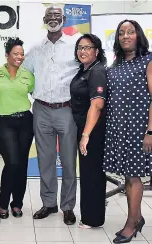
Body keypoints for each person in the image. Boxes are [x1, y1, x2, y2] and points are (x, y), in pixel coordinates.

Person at [23, 4, 80, 225]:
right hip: (41, 110)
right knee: (45, 160)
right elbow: (24, 72)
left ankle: (67, 206)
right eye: (50, 15)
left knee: (67, 161)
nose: (53, 18)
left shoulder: (75, 45)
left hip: (67, 110)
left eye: (57, 15)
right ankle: (48, 203)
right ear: (44, 19)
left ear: (64, 19)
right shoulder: (36, 47)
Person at [103, 19, 152, 243]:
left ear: (138, 35)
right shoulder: (117, 65)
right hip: (118, 129)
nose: (125, 36)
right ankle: (138, 216)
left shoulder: (148, 61)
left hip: (138, 129)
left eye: (130, 32)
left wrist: (150, 131)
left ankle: (132, 223)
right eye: (121, 33)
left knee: (133, 176)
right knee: (127, 174)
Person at [0, 38, 34, 219]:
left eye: (22, 54)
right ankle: (3, 203)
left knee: (22, 164)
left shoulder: (28, 75)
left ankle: (17, 204)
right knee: (12, 162)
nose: (20, 57)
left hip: (25, 121)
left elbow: (37, 95)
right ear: (7, 55)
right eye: (15, 53)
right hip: (3, 122)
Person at [70, 34, 107, 229]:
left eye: (87, 47)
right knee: (87, 173)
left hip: (93, 131)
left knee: (92, 175)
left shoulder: (97, 72)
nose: (83, 51)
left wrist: (86, 135)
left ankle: (93, 219)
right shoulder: (85, 70)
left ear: (96, 51)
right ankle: (90, 216)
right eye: (80, 48)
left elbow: (97, 105)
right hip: (84, 128)